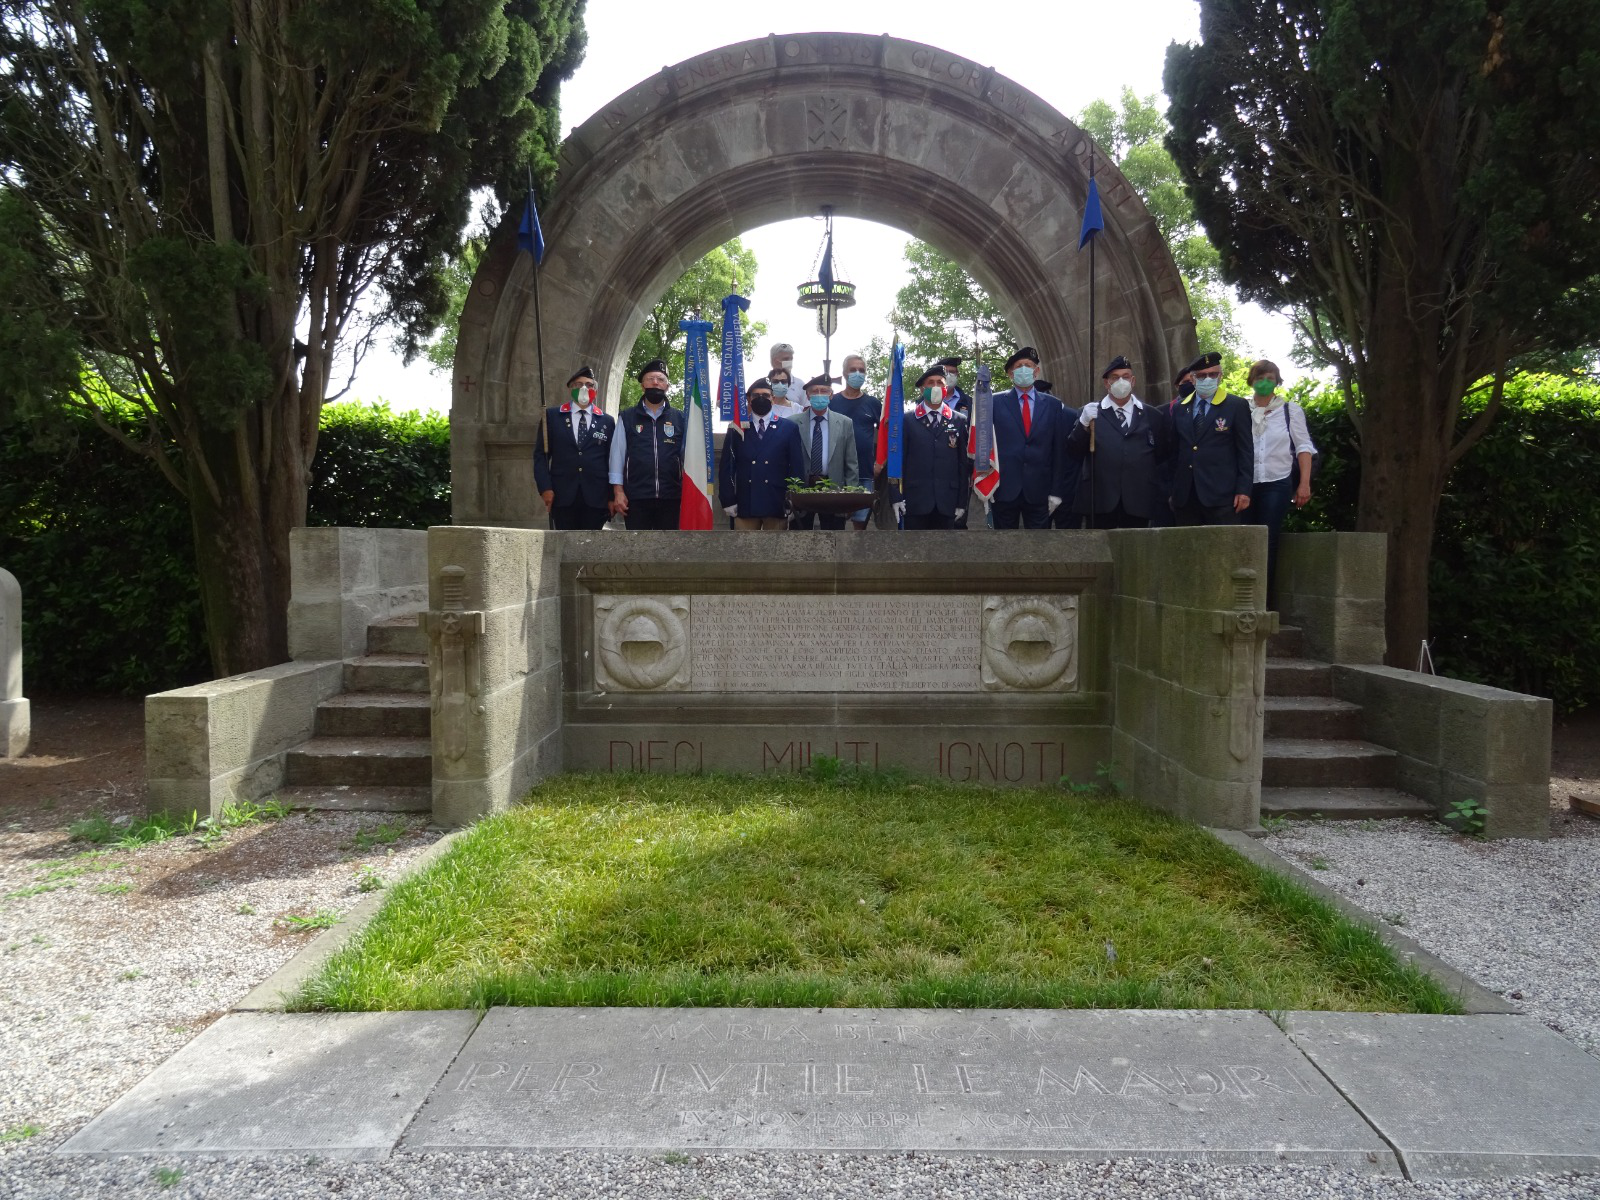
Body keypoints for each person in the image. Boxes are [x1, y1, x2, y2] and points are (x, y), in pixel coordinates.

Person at [1067, 355, 1173, 529]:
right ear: (1106, 383)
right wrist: (1083, 423)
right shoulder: (1090, 413)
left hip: (1138, 499)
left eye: (1125, 377)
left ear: (1133, 381)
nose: (1121, 381)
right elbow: (1074, 451)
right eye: (1115, 378)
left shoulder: (1152, 415)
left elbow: (1160, 454)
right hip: (1100, 499)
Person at [1244, 359, 1316, 607]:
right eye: (1260, 378)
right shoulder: (1241, 409)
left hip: (1276, 481)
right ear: (1252, 380)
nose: (1265, 383)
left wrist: (1304, 484)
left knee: (1268, 537)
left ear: (1276, 382)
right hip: (1245, 483)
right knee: (1244, 536)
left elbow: (1303, 447)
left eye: (1270, 379)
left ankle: (1263, 600)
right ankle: (1241, 596)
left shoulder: (1289, 410)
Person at [1168, 351, 1253, 526]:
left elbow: (1245, 451)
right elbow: (1174, 452)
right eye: (1201, 375)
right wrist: (1173, 490)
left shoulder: (1236, 406)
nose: (1207, 379)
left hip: (1222, 496)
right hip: (1186, 496)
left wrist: (1244, 490)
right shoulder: (1179, 409)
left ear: (1220, 376)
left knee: (1223, 550)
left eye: (1213, 374)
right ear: (1192, 378)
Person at [989, 346, 1066, 529]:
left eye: (1029, 365)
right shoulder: (994, 403)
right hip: (1003, 489)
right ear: (1010, 373)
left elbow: (1058, 451)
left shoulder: (1053, 405)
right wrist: (986, 483)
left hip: (1040, 490)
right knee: (1004, 547)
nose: (1024, 369)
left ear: (1037, 371)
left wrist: (1056, 491)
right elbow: (985, 444)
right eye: (1019, 365)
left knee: (1040, 548)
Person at [608, 358, 685, 530]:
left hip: (671, 498)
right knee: (637, 551)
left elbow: (686, 458)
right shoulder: (627, 417)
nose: (656, 383)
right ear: (642, 385)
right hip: (636, 498)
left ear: (667, 386)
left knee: (667, 550)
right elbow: (617, 456)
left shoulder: (680, 419)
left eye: (661, 379)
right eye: (650, 379)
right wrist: (618, 492)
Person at [534, 366, 614, 530]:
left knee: (591, 549)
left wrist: (612, 496)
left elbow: (612, 460)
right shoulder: (552, 416)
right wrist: (545, 488)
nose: (584, 388)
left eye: (589, 385)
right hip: (563, 495)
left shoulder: (607, 421)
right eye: (578, 384)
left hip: (596, 497)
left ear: (595, 391)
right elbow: (541, 456)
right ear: (571, 389)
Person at [718, 377, 804, 530]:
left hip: (777, 503)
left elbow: (796, 468)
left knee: (776, 552)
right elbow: (727, 467)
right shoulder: (736, 428)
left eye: (765, 395)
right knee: (745, 551)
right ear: (749, 399)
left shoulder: (788, 428)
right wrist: (728, 499)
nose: (761, 399)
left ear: (772, 398)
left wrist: (795, 502)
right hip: (745, 504)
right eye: (756, 396)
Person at [894, 365, 971, 529]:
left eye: (940, 383)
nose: (935, 387)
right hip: (915, 501)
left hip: (947, 502)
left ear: (945, 388)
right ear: (922, 388)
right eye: (931, 383)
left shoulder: (958, 420)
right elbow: (898, 461)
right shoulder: (907, 420)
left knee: (947, 553)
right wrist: (896, 496)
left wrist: (961, 502)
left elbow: (963, 465)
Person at [789, 373, 860, 530]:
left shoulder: (844, 423)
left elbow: (851, 463)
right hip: (802, 490)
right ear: (807, 395)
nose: (819, 395)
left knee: (834, 539)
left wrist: (852, 496)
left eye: (824, 391)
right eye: (814, 391)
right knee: (799, 538)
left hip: (833, 489)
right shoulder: (793, 423)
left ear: (831, 395)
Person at [829, 353, 881, 530]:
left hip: (865, 470)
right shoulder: (832, 402)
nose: (857, 373)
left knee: (861, 523)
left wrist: (880, 462)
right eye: (853, 370)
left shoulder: (873, 403)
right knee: (835, 523)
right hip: (836, 472)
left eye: (861, 370)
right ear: (844, 373)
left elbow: (885, 435)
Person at [1148, 364, 1195, 529]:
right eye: (1185, 381)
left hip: (1192, 487)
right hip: (1163, 485)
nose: (1190, 384)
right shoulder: (1159, 413)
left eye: (1193, 380)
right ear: (1177, 385)